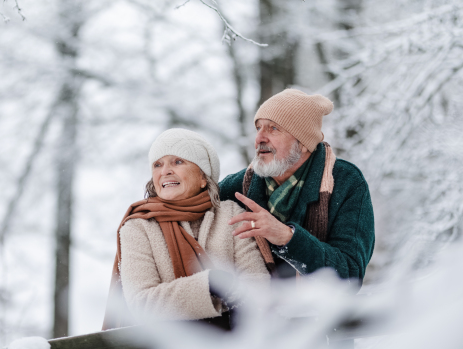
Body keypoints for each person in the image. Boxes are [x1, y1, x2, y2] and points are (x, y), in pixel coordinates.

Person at [102, 128, 269, 331]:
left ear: (203, 177)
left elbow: (257, 287)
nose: (165, 171)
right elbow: (142, 304)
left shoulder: (232, 214)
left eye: (178, 161)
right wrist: (211, 285)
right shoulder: (138, 226)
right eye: (157, 164)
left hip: (236, 345)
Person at [219, 88, 375, 284]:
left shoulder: (346, 182)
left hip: (321, 312)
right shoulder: (237, 186)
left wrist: (287, 238)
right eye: (259, 128)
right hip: (256, 311)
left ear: (303, 143)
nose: (260, 138)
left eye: (273, 128)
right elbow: (190, 204)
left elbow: (350, 274)